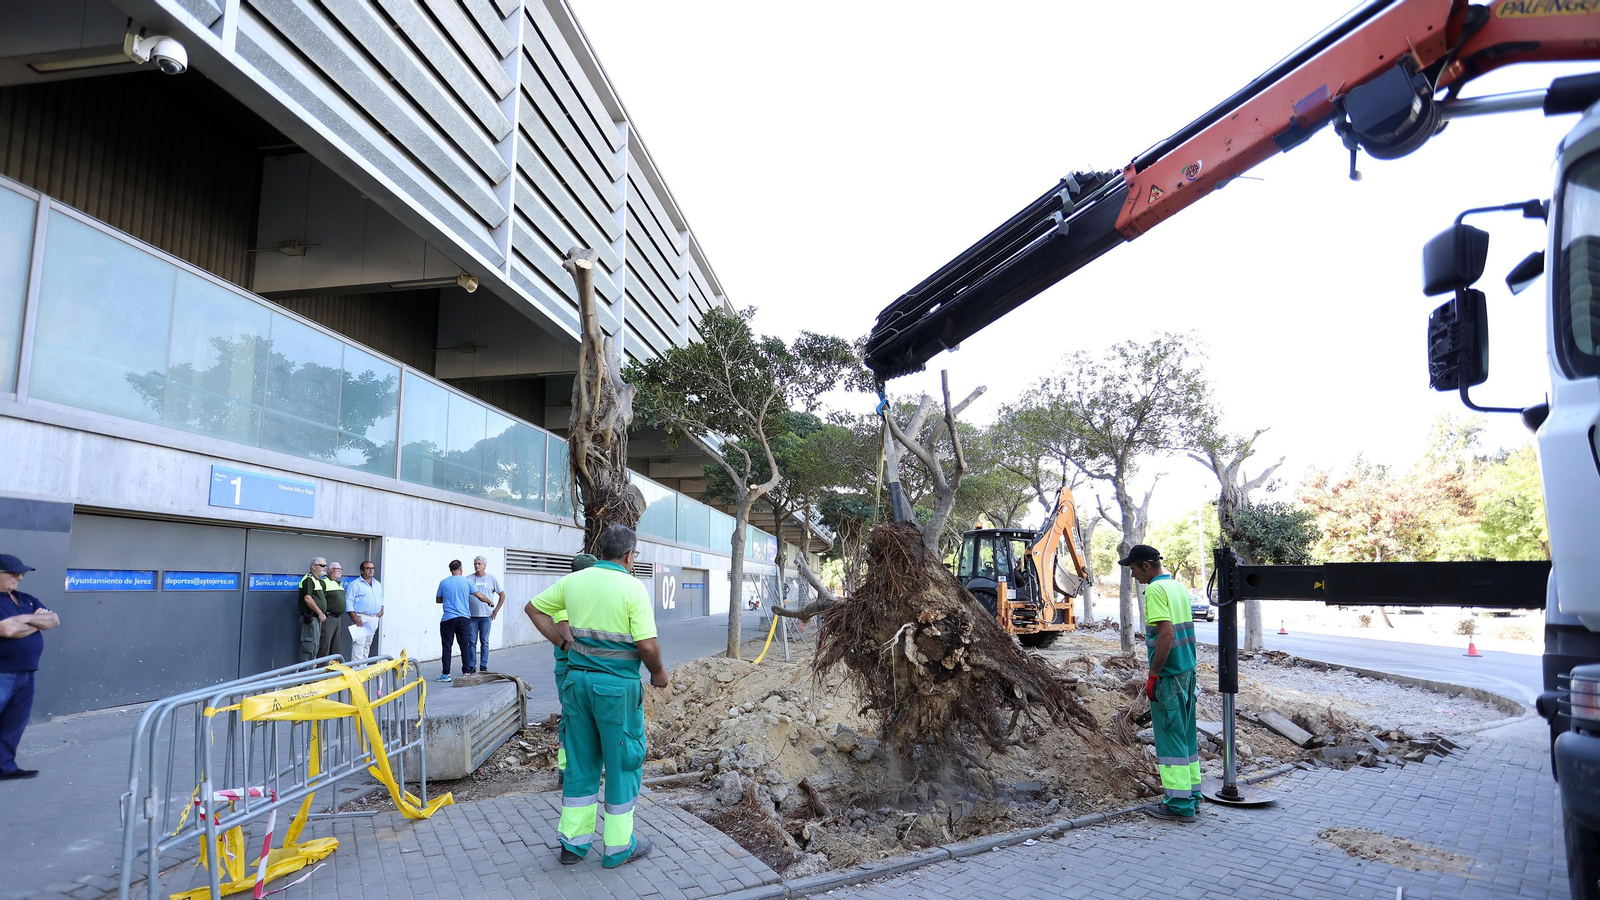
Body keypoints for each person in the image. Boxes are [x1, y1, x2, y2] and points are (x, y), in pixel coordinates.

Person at [528, 527, 665, 869]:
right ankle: (619, 847)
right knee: (623, 763)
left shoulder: (575, 581)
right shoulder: (632, 587)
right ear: (629, 555)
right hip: (616, 689)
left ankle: (573, 845)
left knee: (580, 762)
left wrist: (564, 645)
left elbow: (533, 609)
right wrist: (658, 673)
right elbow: (647, 645)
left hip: (577, 685)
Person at [1121, 543, 1201, 823]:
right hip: (1188, 670)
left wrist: (1153, 675)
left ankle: (1179, 805)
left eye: (1133, 569)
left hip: (1169, 675)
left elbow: (1165, 635)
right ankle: (1193, 796)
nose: (1132, 576)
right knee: (1187, 736)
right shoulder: (1178, 587)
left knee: (1170, 739)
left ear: (1145, 565)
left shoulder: (1154, 589)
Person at [525, 553, 596, 784]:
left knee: (575, 717)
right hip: (571, 666)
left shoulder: (570, 589)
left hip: (569, 666)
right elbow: (564, 625)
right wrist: (571, 648)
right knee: (574, 718)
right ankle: (569, 772)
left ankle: (572, 769)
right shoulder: (573, 591)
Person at [0, 554, 58, 780]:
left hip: (26, 672)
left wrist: (22, 621)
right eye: (13, 573)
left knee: (14, 723)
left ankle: (5, 767)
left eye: (21, 573)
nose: (20, 577)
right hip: (2, 672)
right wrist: (34, 621)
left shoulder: (26, 598)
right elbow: (6, 631)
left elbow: (53, 620)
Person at [436, 560, 485, 682]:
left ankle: (446, 674)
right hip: (463, 619)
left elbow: (438, 599)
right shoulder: (467, 582)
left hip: (448, 619)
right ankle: (466, 672)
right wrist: (489, 601)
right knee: (465, 645)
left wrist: (448, 598)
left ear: (451, 570)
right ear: (461, 569)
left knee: (447, 646)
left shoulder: (444, 582)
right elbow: (479, 596)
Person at [467, 556, 505, 673]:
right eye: (475, 564)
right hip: (472, 616)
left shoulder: (491, 579)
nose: (477, 566)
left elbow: (502, 595)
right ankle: (472, 665)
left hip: (486, 616)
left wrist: (496, 611)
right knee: (472, 641)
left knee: (485, 641)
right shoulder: (468, 579)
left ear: (484, 565)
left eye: (479, 564)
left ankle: (483, 665)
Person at [346, 561, 384, 660]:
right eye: (368, 568)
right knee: (359, 645)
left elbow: (381, 598)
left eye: (372, 568)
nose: (371, 570)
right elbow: (348, 601)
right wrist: (354, 617)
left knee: (367, 645)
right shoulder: (355, 584)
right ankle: (357, 670)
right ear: (361, 571)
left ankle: (363, 670)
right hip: (360, 618)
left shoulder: (377, 584)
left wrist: (382, 609)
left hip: (374, 618)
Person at [298, 558, 331, 662]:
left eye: (326, 565)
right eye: (322, 565)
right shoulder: (309, 579)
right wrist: (320, 613)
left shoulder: (317, 580)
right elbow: (307, 598)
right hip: (311, 618)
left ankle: (311, 674)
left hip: (316, 618)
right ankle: (306, 676)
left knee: (315, 647)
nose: (325, 567)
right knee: (309, 648)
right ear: (313, 567)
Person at [320, 563, 348, 659]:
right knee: (325, 645)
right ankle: (321, 669)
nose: (340, 571)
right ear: (330, 570)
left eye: (341, 569)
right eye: (337, 569)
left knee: (336, 646)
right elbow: (318, 599)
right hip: (328, 618)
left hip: (338, 619)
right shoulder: (324, 582)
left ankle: (334, 670)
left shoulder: (339, 583)